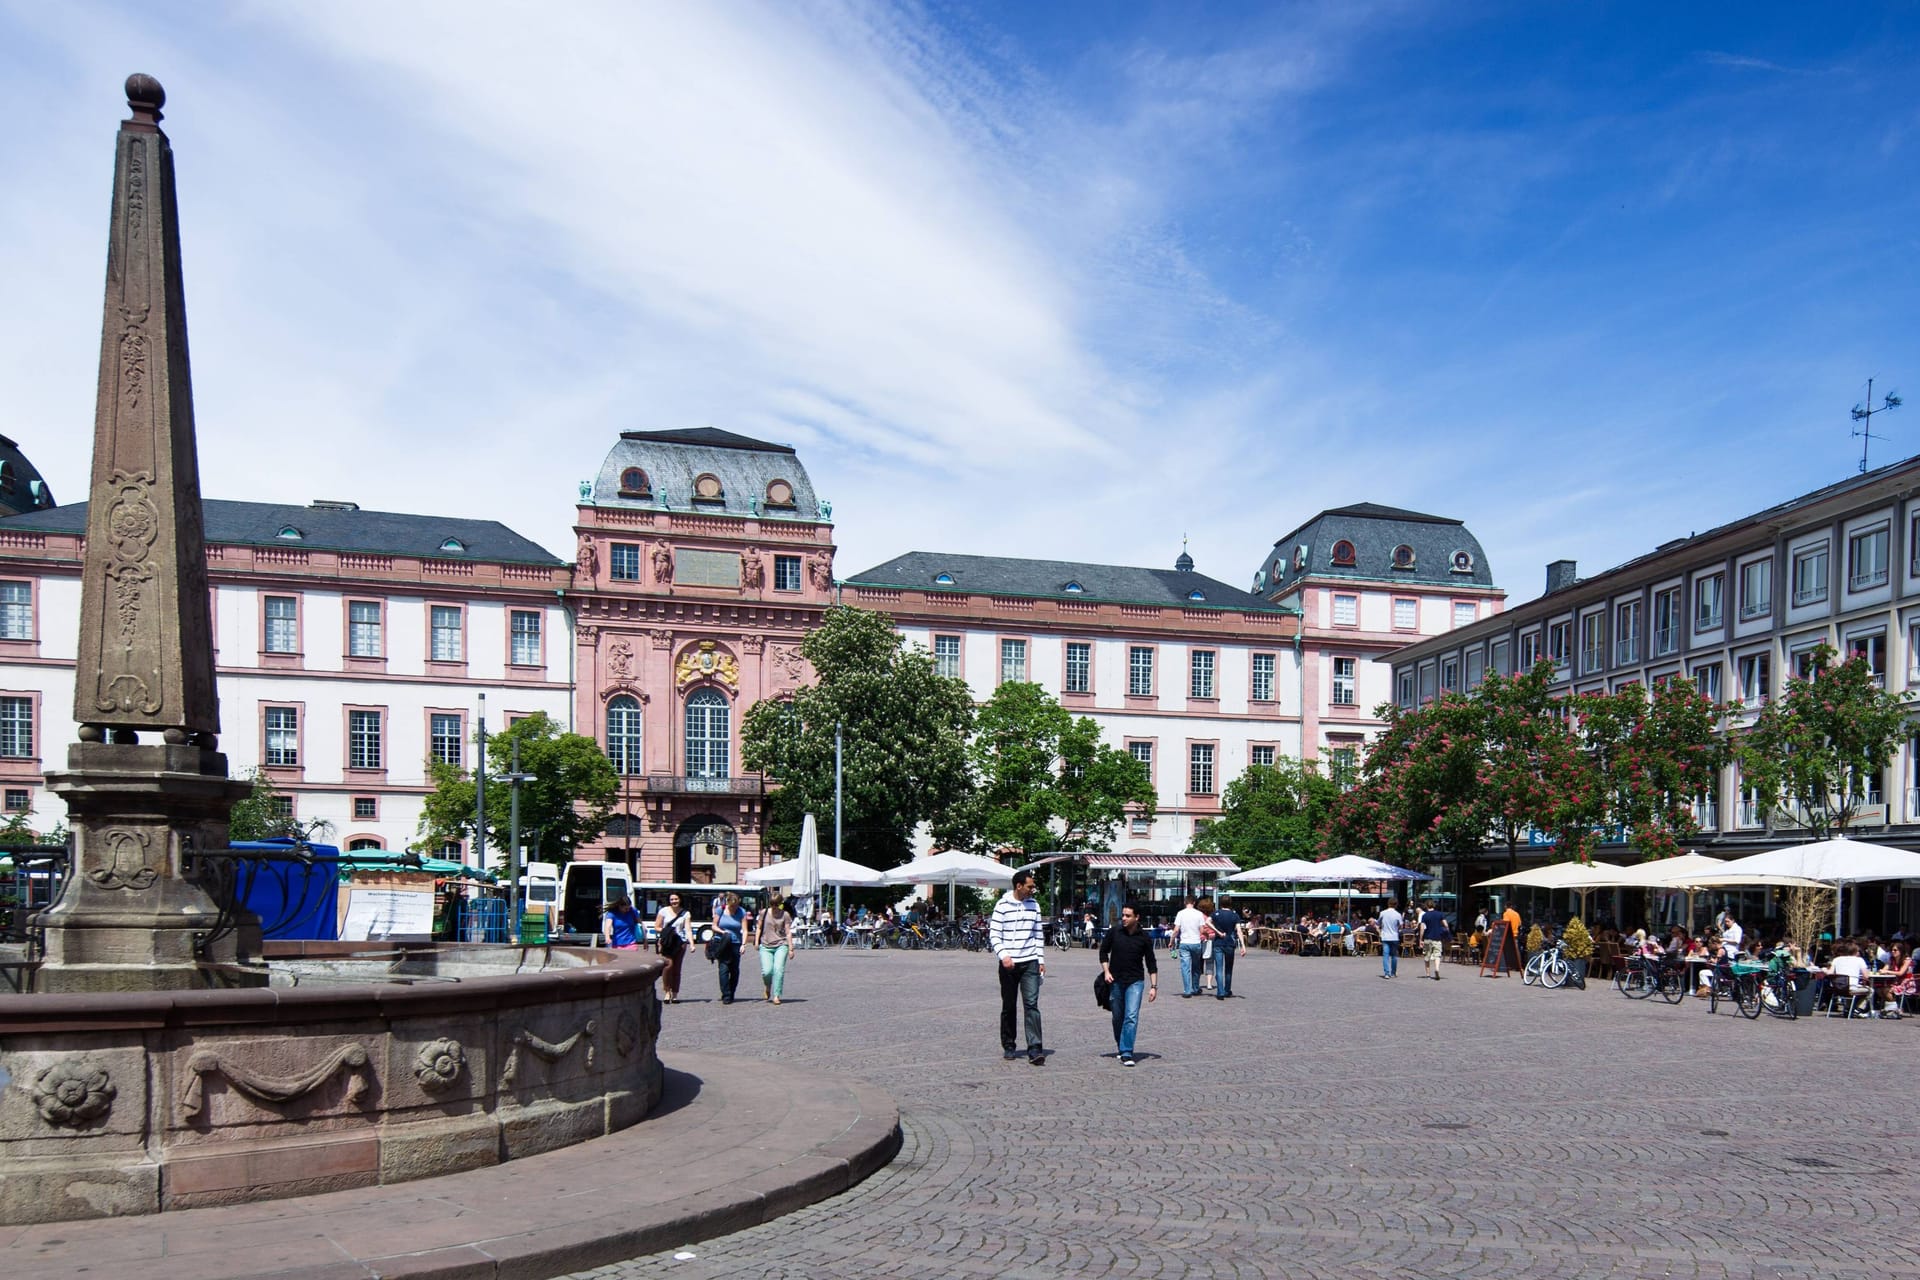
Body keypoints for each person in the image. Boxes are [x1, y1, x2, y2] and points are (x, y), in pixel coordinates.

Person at [991, 868, 1047, 1065]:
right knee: (1009, 1005)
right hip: (1009, 964)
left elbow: (1038, 935)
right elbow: (994, 934)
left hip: (1029, 960)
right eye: (1030, 886)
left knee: (1031, 1004)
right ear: (1019, 886)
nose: (1033, 890)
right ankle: (1009, 1044)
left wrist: (1040, 960)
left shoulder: (1034, 905)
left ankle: (1035, 1048)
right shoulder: (1002, 905)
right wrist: (1004, 955)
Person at [1099, 902, 1158, 1065]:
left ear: (1137, 917)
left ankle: (1126, 1052)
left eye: (1127, 916)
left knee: (1131, 1016)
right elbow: (1103, 952)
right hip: (1115, 980)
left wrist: (1153, 987)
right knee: (1118, 1016)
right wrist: (1106, 971)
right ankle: (1121, 1044)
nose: (1123, 918)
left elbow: (1151, 963)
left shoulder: (1144, 937)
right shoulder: (1114, 932)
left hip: (1135, 981)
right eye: (1123, 915)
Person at [754, 891, 794, 1004]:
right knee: (767, 971)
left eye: (777, 904)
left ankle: (776, 995)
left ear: (781, 904)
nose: (775, 907)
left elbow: (788, 932)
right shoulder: (764, 913)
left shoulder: (785, 915)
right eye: (772, 904)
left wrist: (791, 948)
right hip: (766, 945)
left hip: (781, 945)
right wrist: (756, 941)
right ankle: (767, 986)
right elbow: (758, 927)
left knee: (778, 970)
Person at [654, 893, 691, 1003]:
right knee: (668, 966)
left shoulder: (685, 913)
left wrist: (692, 944)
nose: (674, 901)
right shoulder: (663, 911)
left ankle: (675, 994)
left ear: (680, 900)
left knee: (677, 969)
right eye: (672, 899)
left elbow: (688, 929)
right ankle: (666, 991)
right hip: (667, 943)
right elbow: (657, 926)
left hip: (680, 943)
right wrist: (668, 931)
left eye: (676, 899)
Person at [1209, 895, 1245, 998]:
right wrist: (1243, 946)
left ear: (1220, 903)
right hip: (1230, 943)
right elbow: (1239, 931)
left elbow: (1207, 922)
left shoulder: (1216, 913)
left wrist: (1217, 931)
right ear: (1230, 903)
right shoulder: (1234, 915)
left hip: (1218, 943)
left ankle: (1220, 992)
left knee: (1219, 969)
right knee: (1228, 969)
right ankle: (1227, 990)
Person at [712, 891, 746, 1004]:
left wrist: (743, 944)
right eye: (732, 906)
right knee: (723, 969)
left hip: (736, 943)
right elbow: (714, 926)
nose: (734, 908)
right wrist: (722, 932)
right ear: (728, 903)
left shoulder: (741, 912)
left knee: (734, 970)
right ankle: (726, 995)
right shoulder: (720, 910)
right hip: (722, 942)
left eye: (736, 905)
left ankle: (731, 992)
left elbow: (745, 930)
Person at [1172, 895, 1208, 997]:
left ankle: (1187, 990)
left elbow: (1176, 930)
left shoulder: (1180, 913)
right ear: (1194, 903)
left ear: (1185, 902)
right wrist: (1207, 935)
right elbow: (1202, 930)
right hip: (1196, 942)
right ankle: (1195, 988)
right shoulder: (1199, 914)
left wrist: (1171, 941)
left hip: (1184, 943)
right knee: (1196, 967)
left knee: (1185, 967)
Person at [1419, 900, 1451, 979]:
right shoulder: (1440, 914)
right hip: (1437, 938)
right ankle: (1437, 969)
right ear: (1434, 905)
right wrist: (1446, 932)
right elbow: (1446, 925)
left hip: (1427, 938)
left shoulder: (1425, 915)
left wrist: (1420, 939)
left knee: (1427, 956)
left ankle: (1428, 974)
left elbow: (1422, 928)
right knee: (1437, 955)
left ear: (1426, 906)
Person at [1377, 900, 1404, 979]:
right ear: (1396, 905)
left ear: (1388, 904)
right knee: (1394, 955)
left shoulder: (1383, 913)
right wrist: (1396, 928)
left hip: (1385, 936)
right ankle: (1393, 972)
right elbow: (1401, 926)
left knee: (1386, 955)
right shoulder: (1398, 914)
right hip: (1394, 936)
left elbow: (1378, 923)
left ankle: (1386, 973)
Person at [1499, 902, 1523, 973]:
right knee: (1516, 950)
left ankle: (1506, 965)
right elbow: (1519, 924)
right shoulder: (1516, 914)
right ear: (1511, 906)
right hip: (1515, 934)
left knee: (1506, 950)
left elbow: (1505, 924)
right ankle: (1519, 966)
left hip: (1508, 935)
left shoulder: (1506, 913)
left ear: (1506, 906)